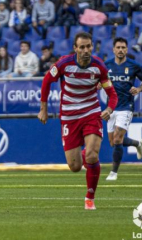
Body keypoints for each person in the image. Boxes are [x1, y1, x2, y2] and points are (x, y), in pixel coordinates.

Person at [38, 32, 118, 210]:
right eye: (81, 47)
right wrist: (43, 108)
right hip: (69, 116)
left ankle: (90, 197)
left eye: (88, 46)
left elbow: (112, 94)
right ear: (75, 48)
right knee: (74, 166)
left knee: (92, 155)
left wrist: (109, 109)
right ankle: (83, 157)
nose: (85, 50)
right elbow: (46, 80)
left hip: (91, 113)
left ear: (92, 47)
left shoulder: (99, 67)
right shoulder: (64, 63)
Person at [104, 37, 142, 181]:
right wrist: (99, 85)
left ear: (127, 49)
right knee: (113, 142)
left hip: (126, 106)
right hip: (111, 107)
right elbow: (100, 80)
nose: (121, 50)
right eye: (118, 47)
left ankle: (114, 173)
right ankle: (138, 143)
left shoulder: (133, 65)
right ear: (113, 49)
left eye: (123, 47)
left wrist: (139, 88)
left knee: (118, 139)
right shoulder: (107, 65)